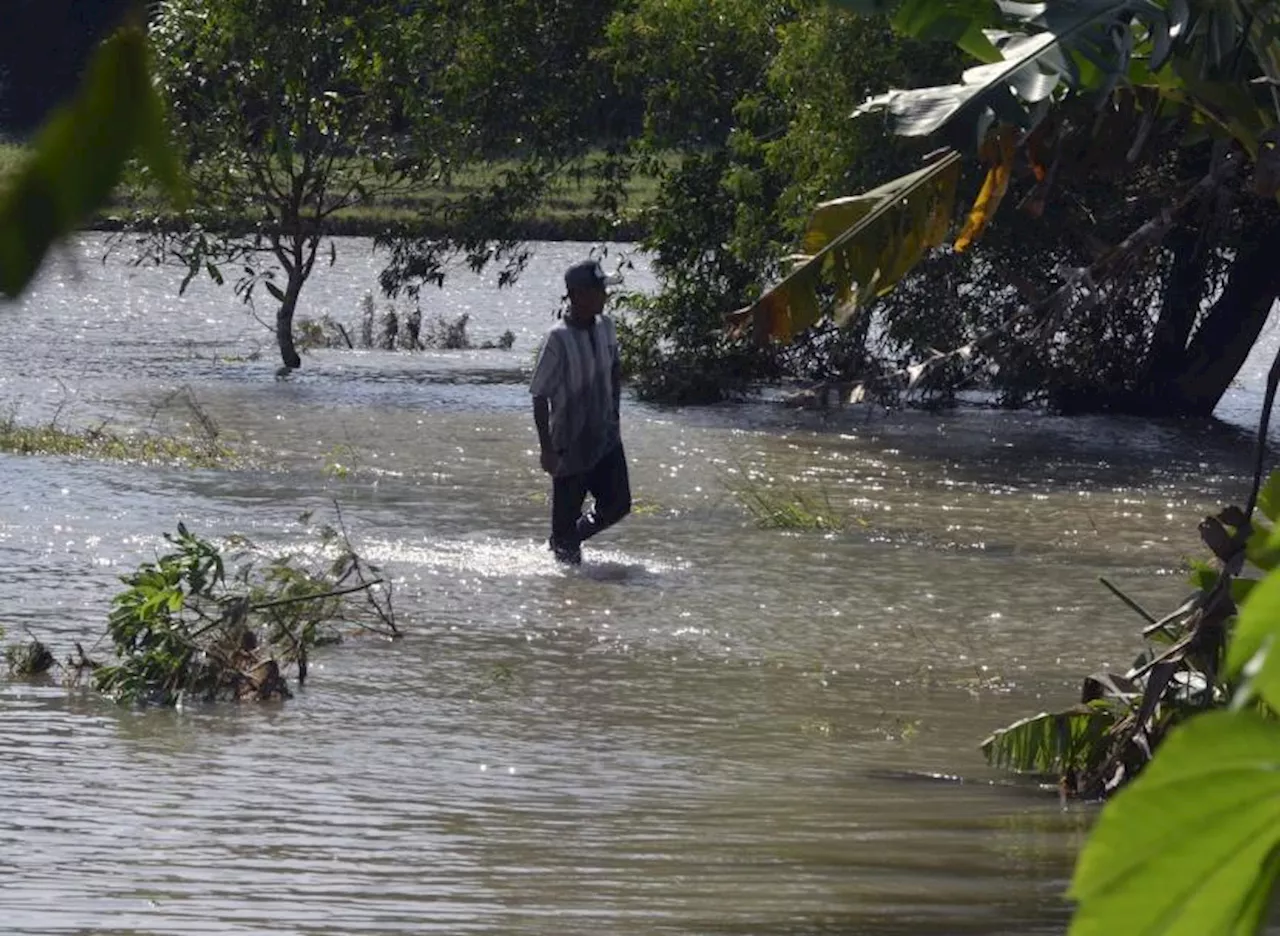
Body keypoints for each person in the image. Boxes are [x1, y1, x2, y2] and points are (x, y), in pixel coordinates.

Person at [530, 259, 631, 564]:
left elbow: (614, 367)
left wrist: (614, 412)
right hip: (569, 444)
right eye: (599, 290)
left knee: (618, 505)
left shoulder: (606, 326)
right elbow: (539, 395)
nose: (604, 296)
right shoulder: (558, 339)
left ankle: (566, 538)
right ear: (577, 295)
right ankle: (564, 559)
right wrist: (546, 450)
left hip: (606, 436)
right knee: (566, 552)